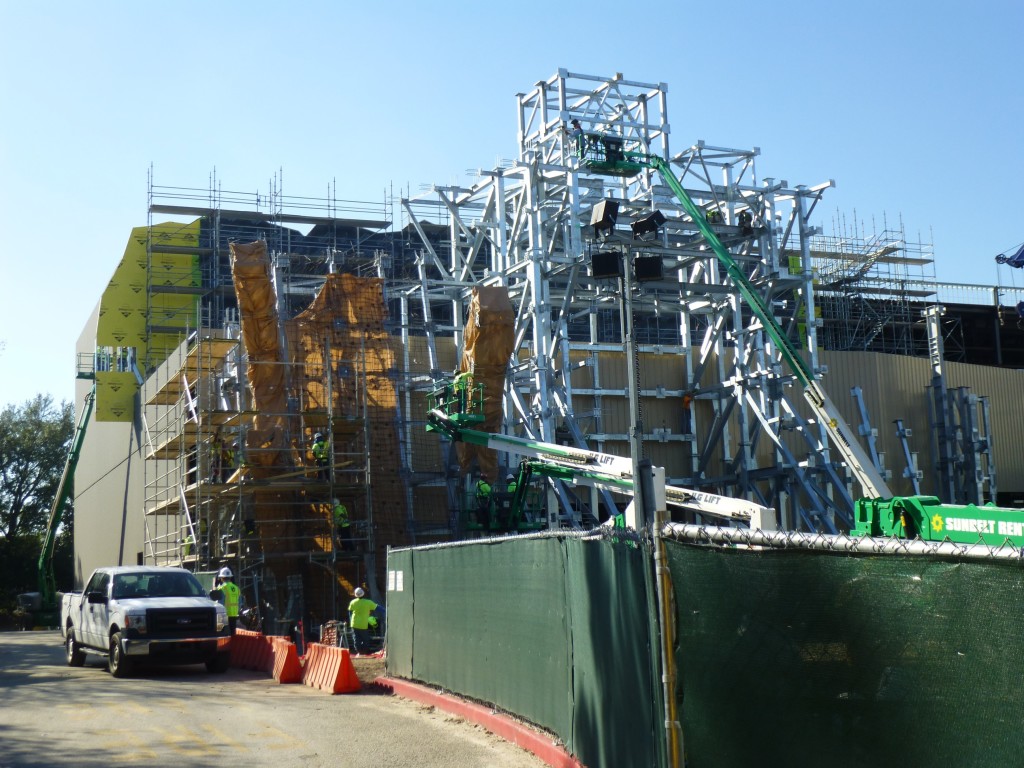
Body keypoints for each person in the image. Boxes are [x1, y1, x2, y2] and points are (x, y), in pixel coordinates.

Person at [348, 587, 379, 655]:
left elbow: (350, 612)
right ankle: (364, 652)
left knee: (356, 639)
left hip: (354, 624)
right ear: (363, 594)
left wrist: (350, 621)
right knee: (365, 639)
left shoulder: (353, 602)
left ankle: (359, 652)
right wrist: (386, 611)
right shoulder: (368, 602)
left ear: (355, 594)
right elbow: (377, 607)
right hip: (363, 624)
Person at [211, 567, 241, 633]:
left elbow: (219, 603)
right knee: (232, 633)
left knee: (221, 632)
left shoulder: (222, 588)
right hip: (234, 614)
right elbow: (240, 601)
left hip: (224, 614)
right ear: (230, 577)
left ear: (221, 578)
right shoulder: (236, 588)